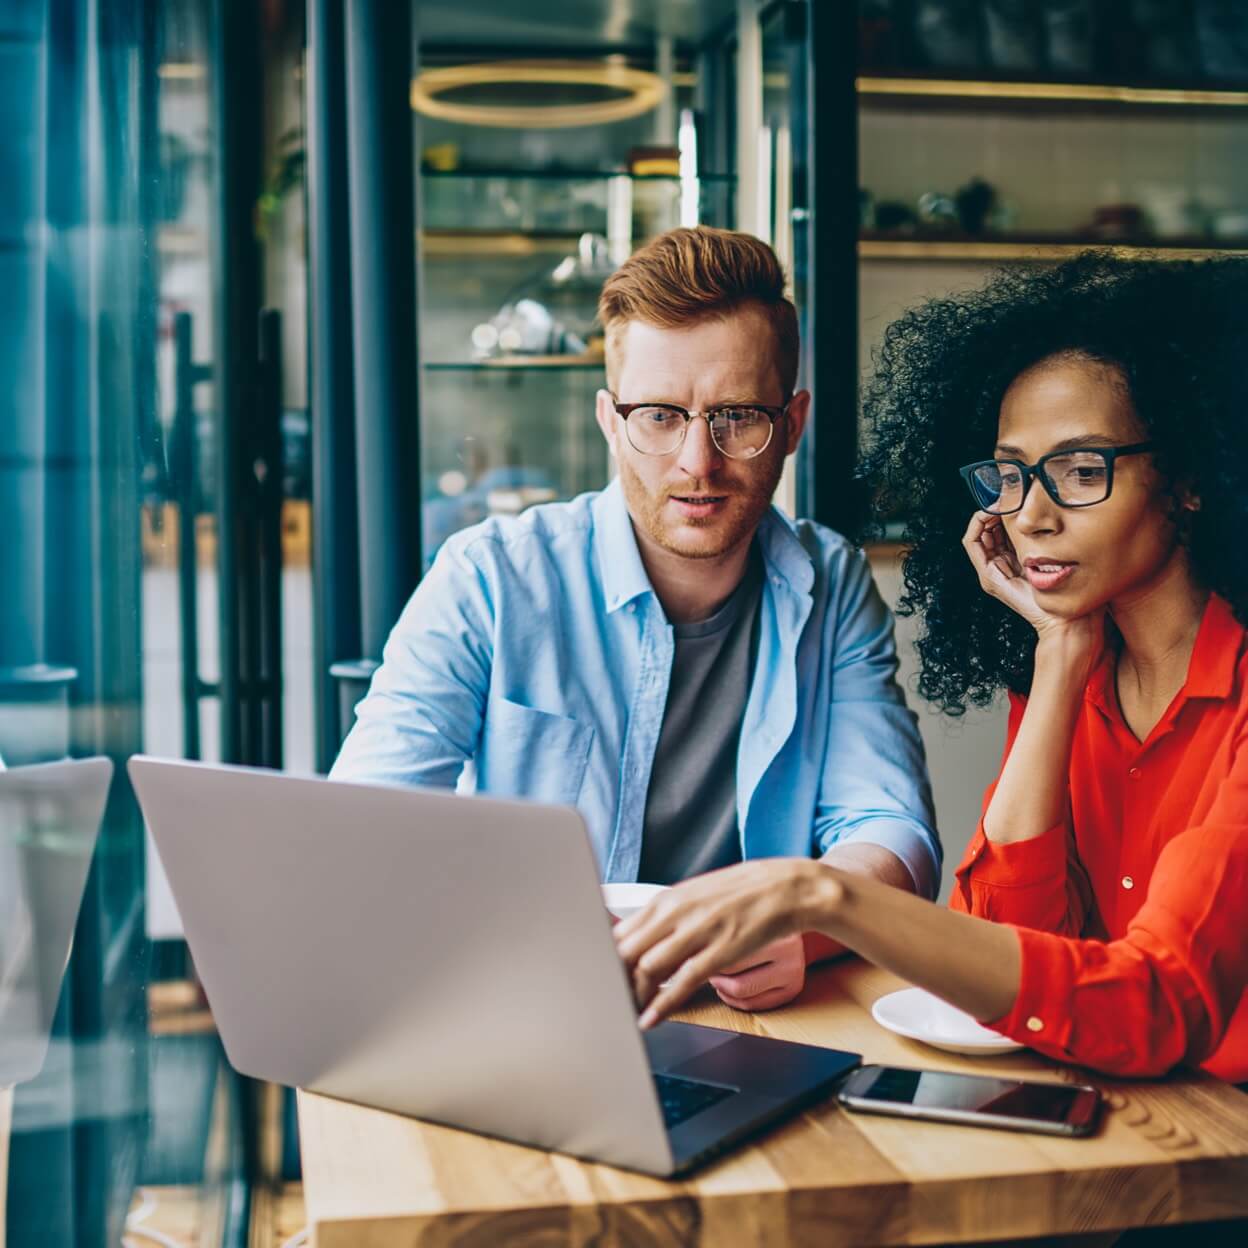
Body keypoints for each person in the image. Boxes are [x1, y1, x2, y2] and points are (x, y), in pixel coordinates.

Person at [616, 252, 1248, 1086]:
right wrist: (1058, 660)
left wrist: (824, 896)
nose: (1031, 514)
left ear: (1192, 478)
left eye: (1081, 470)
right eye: (1012, 474)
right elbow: (1013, 947)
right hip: (1132, 1120)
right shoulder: (1076, 674)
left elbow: (1157, 1005)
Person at [332, 226, 940, 1014]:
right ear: (610, 421)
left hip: (757, 1022)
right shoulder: (489, 576)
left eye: (738, 416)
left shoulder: (832, 582)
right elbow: (365, 828)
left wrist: (805, 929)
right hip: (529, 1002)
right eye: (659, 415)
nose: (698, 461)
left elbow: (892, 829)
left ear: (791, 425)